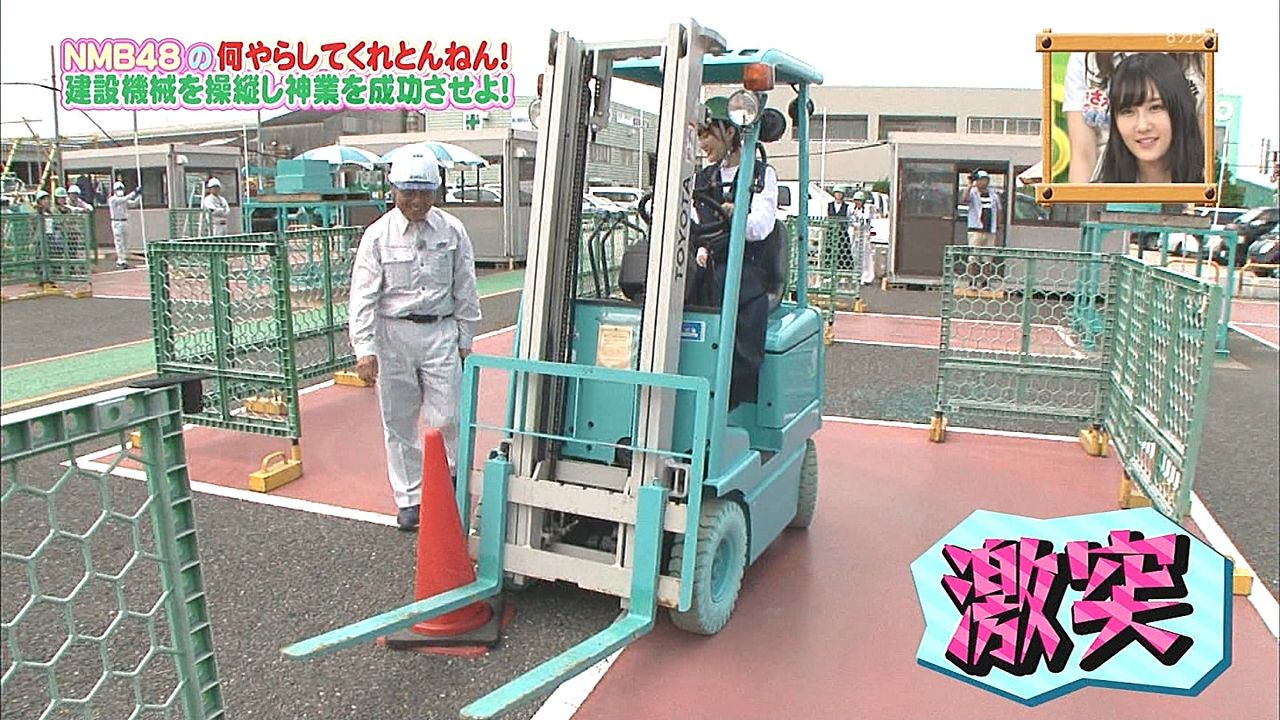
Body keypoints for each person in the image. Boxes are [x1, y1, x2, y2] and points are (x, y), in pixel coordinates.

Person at [348, 153, 482, 531]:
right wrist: (365, 349)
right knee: (398, 421)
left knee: (448, 416)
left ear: (436, 192)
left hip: (441, 331)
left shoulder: (452, 230)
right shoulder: (378, 235)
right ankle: (410, 499)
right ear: (393, 190)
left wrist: (466, 337)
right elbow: (363, 295)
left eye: (425, 193)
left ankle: (449, 488)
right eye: (408, 193)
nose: (417, 201)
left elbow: (465, 285)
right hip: (392, 334)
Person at [691, 96, 778, 410]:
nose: (702, 143)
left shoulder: (760, 175)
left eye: (707, 134)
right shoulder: (702, 178)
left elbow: (761, 225)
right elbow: (692, 221)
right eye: (699, 135)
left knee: (723, 286)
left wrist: (736, 215)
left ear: (729, 132)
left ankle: (733, 389)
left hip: (745, 267)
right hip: (708, 264)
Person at [1063, 51, 1205, 183]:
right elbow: (1082, 155)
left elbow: (1200, 143)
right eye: (1127, 112)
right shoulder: (1086, 57)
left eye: (1155, 107)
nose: (1142, 126)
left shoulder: (1198, 56)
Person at [961, 170, 1002, 285]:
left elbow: (998, 210)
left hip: (990, 230)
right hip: (976, 230)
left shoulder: (993, 194)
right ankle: (972, 281)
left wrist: (997, 226)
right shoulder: (973, 193)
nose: (984, 182)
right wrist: (969, 184)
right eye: (981, 179)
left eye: (986, 179)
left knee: (988, 258)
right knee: (974, 257)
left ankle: (985, 282)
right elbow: (964, 199)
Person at [107, 181, 142, 268]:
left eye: (121, 189)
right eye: (118, 189)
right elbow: (124, 199)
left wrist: (139, 196)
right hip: (116, 222)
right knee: (119, 241)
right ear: (114, 190)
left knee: (125, 241)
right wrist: (134, 192)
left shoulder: (124, 200)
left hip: (125, 221)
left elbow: (133, 204)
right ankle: (120, 260)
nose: (120, 191)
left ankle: (124, 258)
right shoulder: (112, 200)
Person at [850, 190, 878, 284]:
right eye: (856, 201)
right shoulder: (853, 211)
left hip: (864, 235)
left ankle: (866, 276)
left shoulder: (867, 211)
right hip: (856, 235)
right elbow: (851, 221)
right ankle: (856, 275)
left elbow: (867, 222)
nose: (857, 203)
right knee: (855, 255)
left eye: (859, 201)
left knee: (865, 257)